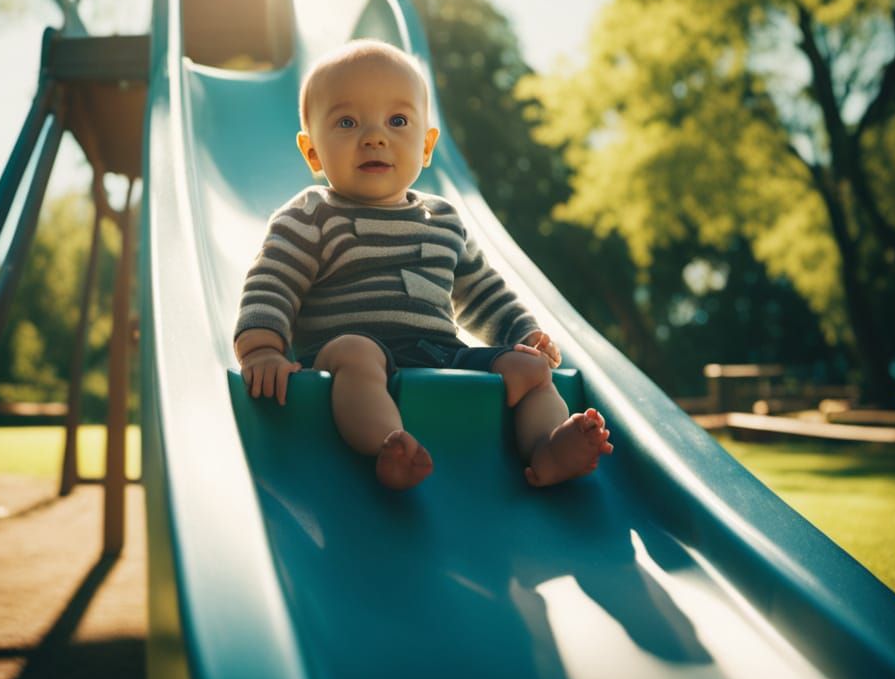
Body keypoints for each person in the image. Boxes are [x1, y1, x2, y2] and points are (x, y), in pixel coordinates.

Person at [233, 40, 613, 490]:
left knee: (530, 370)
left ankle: (548, 446)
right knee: (357, 353)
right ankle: (389, 445)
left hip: (439, 352)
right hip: (345, 354)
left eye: (397, 121)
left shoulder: (443, 220)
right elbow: (272, 281)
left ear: (427, 145)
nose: (374, 137)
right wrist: (262, 349)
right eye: (347, 122)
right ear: (313, 151)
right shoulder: (312, 215)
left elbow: (482, 291)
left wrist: (522, 334)